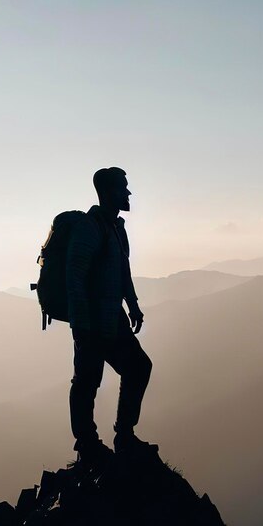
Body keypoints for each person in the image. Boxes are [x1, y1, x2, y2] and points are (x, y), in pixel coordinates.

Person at [66, 167, 157, 464]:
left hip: (111, 318)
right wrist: (82, 324)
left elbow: (123, 272)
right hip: (92, 321)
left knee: (138, 368)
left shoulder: (116, 229)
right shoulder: (89, 228)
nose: (128, 193)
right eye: (123, 188)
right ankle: (88, 444)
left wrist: (133, 304)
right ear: (108, 192)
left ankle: (123, 436)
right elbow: (74, 276)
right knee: (87, 382)